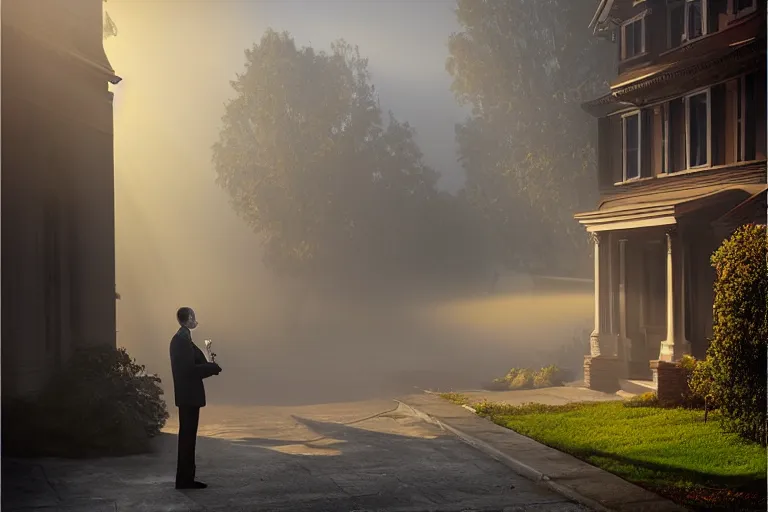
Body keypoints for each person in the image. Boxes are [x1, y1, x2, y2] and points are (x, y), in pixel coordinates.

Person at [169, 307, 222, 490]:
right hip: (188, 396)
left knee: (188, 437)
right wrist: (210, 368)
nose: (195, 321)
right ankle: (184, 480)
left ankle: (186, 478)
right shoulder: (181, 342)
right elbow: (189, 370)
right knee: (187, 438)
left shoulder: (183, 340)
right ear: (189, 318)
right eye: (194, 317)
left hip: (188, 395)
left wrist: (209, 366)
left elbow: (194, 365)